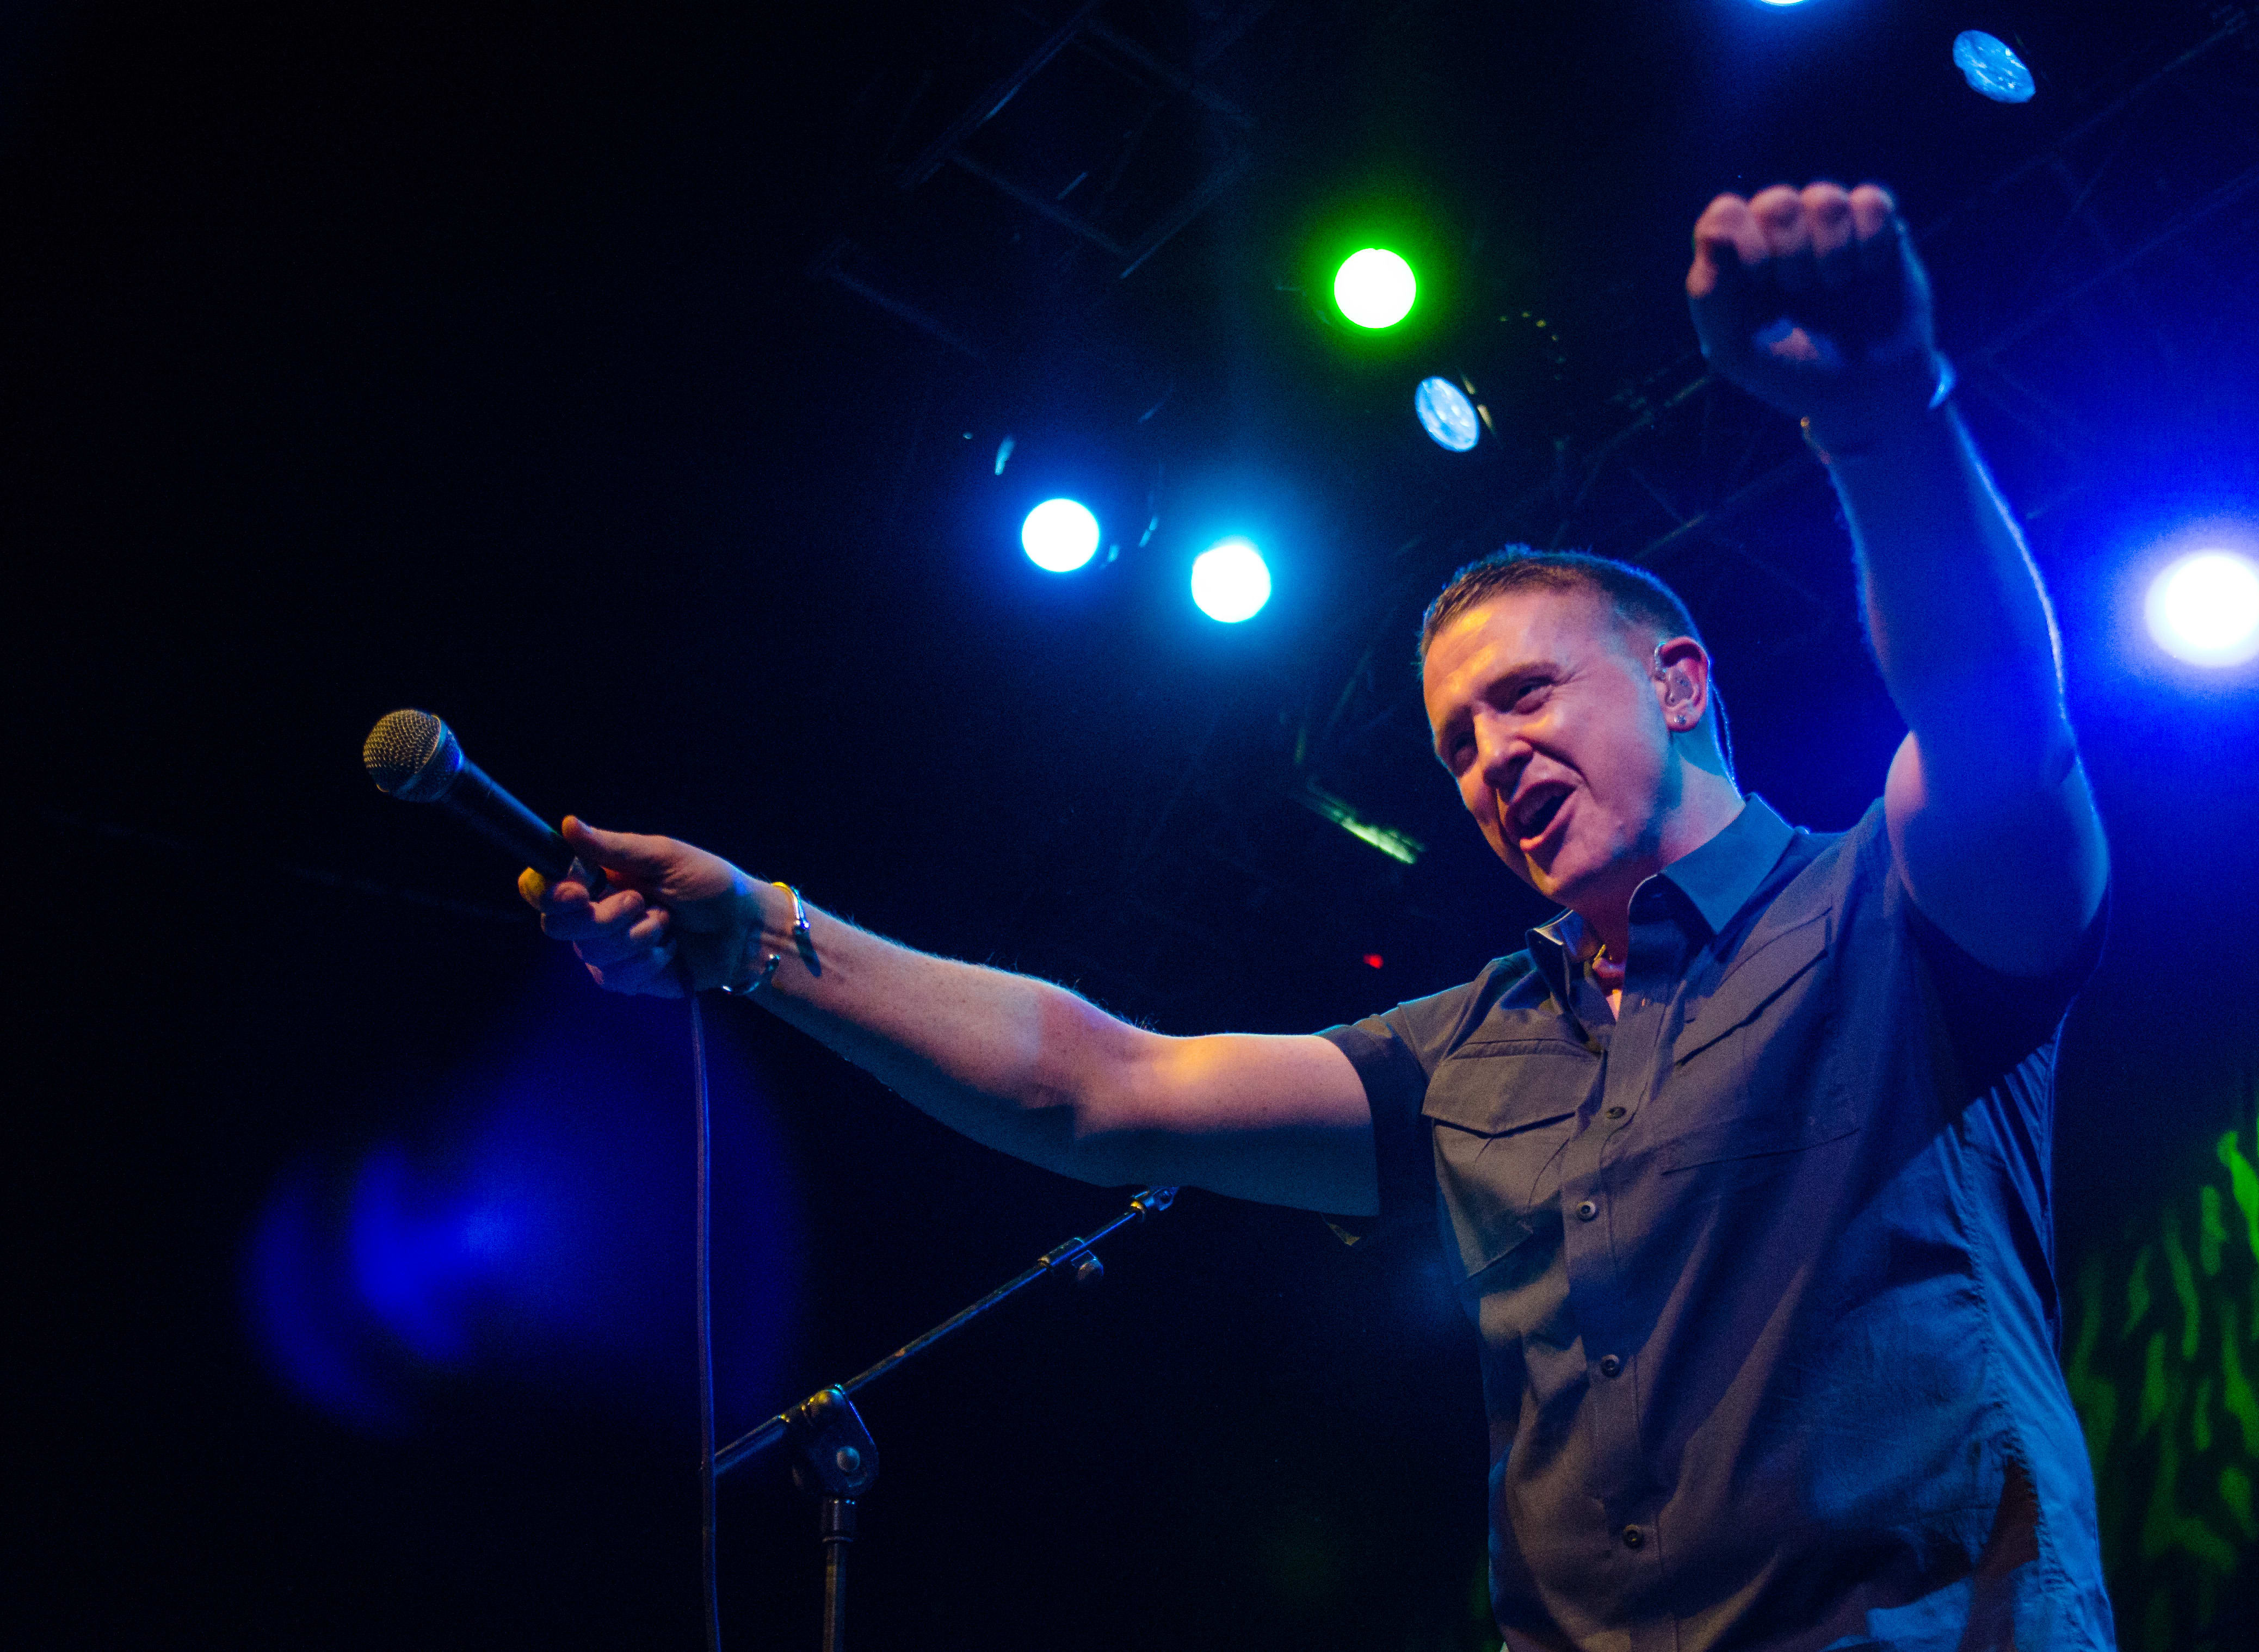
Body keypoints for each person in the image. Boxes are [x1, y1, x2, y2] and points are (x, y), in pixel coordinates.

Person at [524, 182, 2115, 1651]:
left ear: (1681, 678)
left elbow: (1997, 718)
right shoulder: (1472, 1050)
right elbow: (1104, 1086)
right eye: (1457, 745)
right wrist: (763, 933)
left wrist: (1875, 414)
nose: (1492, 759)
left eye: (1526, 696)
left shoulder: (1892, 915)